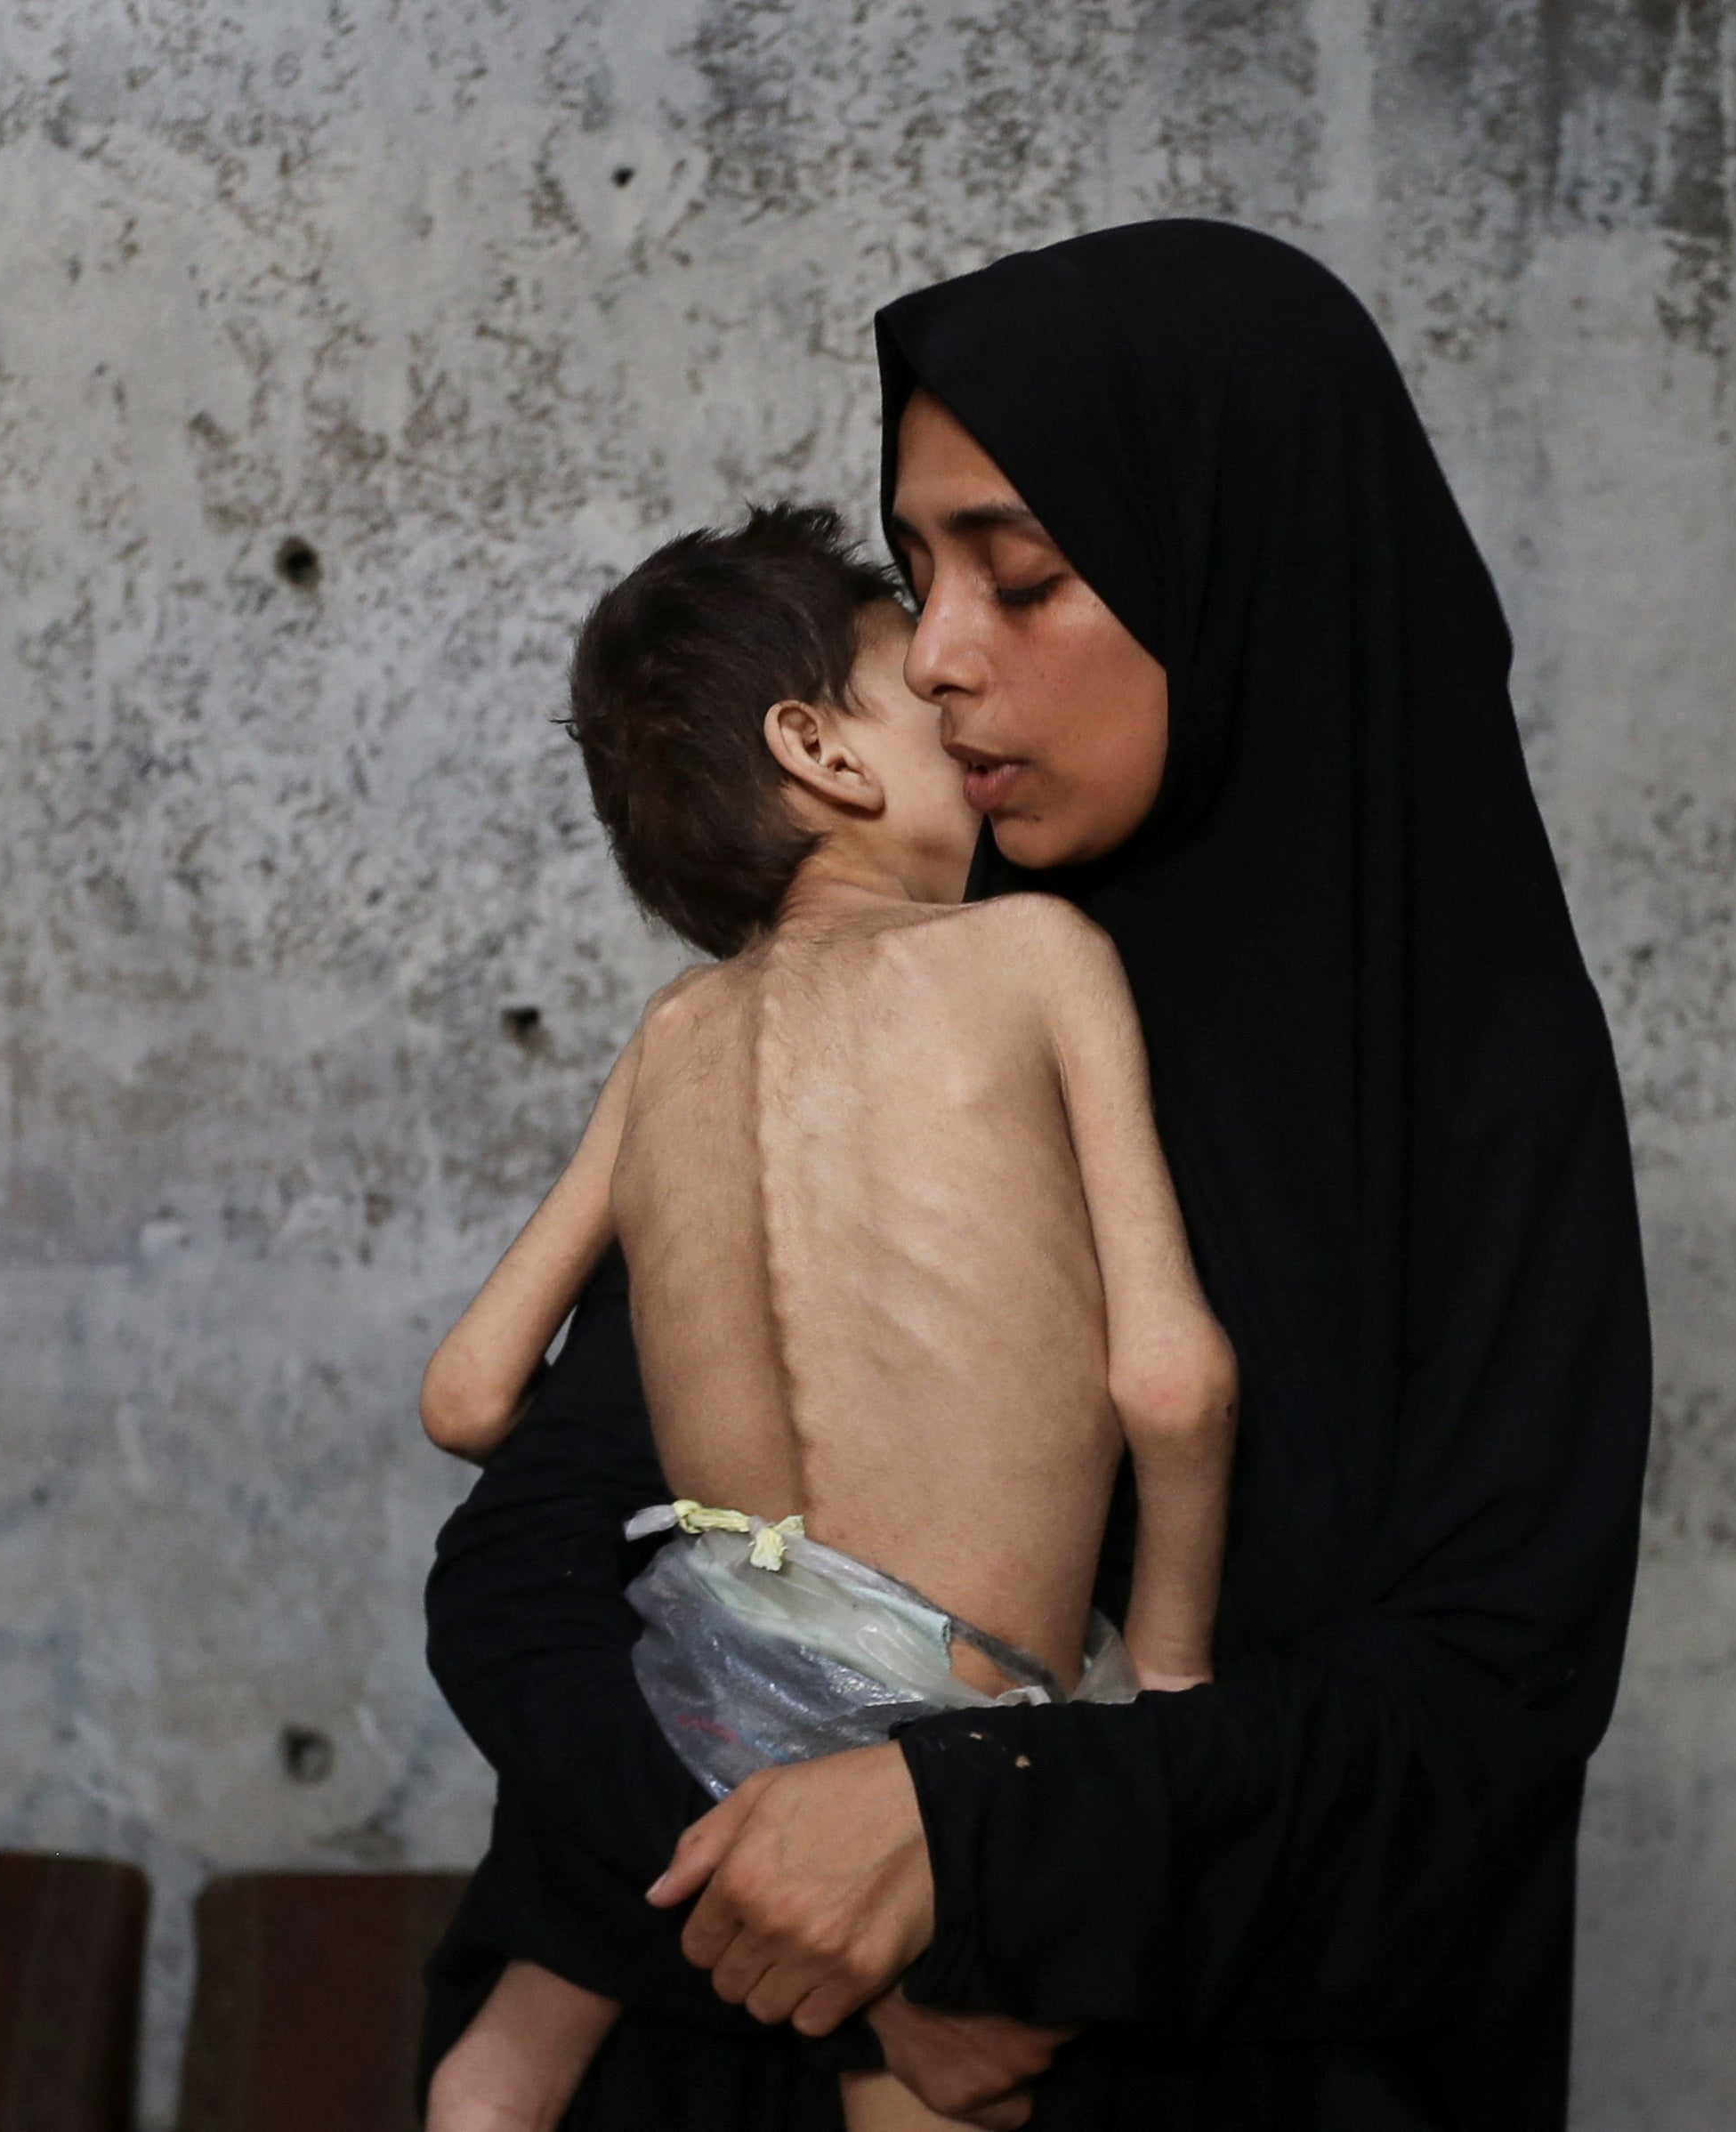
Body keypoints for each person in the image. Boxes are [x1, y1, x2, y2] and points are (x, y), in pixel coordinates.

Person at [422, 220, 1652, 2131]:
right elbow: (531, 1564)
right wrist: (832, 1939)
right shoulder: (892, 1004)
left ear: (1230, 568)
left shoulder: (1468, 1085)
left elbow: (1471, 1716)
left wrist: (963, 1850)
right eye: (916, 579)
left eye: (1026, 578)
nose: (934, 653)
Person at [418, 506, 1239, 2132]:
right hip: (929, 1726)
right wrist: (1167, 1698)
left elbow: (466, 1395)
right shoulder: (1033, 956)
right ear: (821, 751)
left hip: (687, 1679)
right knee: (929, 2085)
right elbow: (1170, 1381)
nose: (965, 722)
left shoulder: (672, 1033)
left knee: (505, 2056)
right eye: (919, 704)